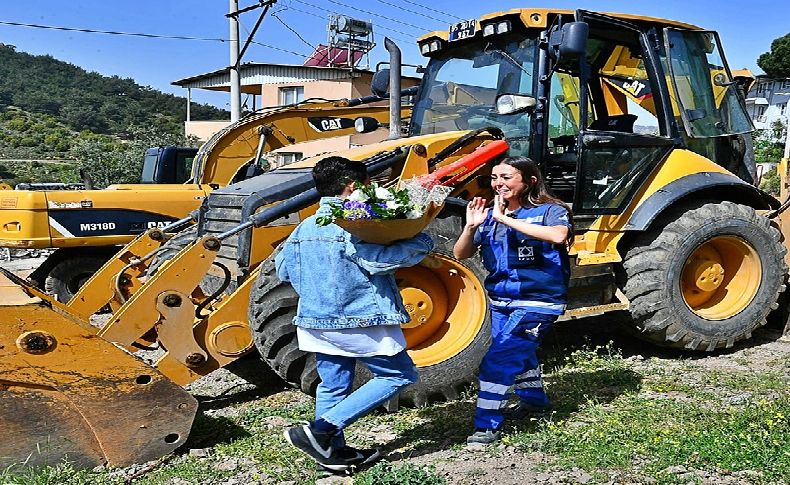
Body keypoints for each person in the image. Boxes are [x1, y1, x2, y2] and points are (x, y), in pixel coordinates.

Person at [276, 156, 434, 472]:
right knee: (398, 375)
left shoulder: (305, 226)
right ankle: (320, 430)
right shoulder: (355, 224)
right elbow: (376, 263)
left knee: (333, 386)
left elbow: (283, 270)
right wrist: (421, 242)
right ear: (352, 187)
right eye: (365, 186)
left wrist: (319, 292)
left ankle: (331, 457)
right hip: (360, 318)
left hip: (315, 320)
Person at [453, 156, 573, 445]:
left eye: (506, 177)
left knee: (498, 360)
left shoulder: (550, 211)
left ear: (529, 180)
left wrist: (505, 219)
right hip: (502, 301)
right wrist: (471, 227)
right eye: (495, 178)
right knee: (520, 352)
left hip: (537, 301)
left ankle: (486, 427)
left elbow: (558, 236)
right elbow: (460, 254)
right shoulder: (489, 216)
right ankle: (534, 401)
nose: (498, 184)